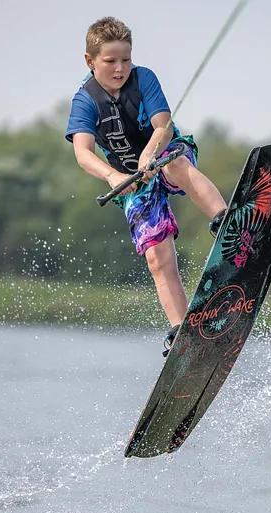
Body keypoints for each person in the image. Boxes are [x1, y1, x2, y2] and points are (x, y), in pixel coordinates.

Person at [65, 16, 227, 355]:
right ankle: (183, 330)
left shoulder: (144, 79)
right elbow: (83, 152)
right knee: (156, 255)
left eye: (125, 59)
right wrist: (111, 175)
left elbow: (163, 126)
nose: (120, 68)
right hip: (130, 181)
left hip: (164, 155)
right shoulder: (85, 100)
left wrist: (152, 152)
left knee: (176, 164)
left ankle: (226, 220)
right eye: (110, 61)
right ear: (90, 60)